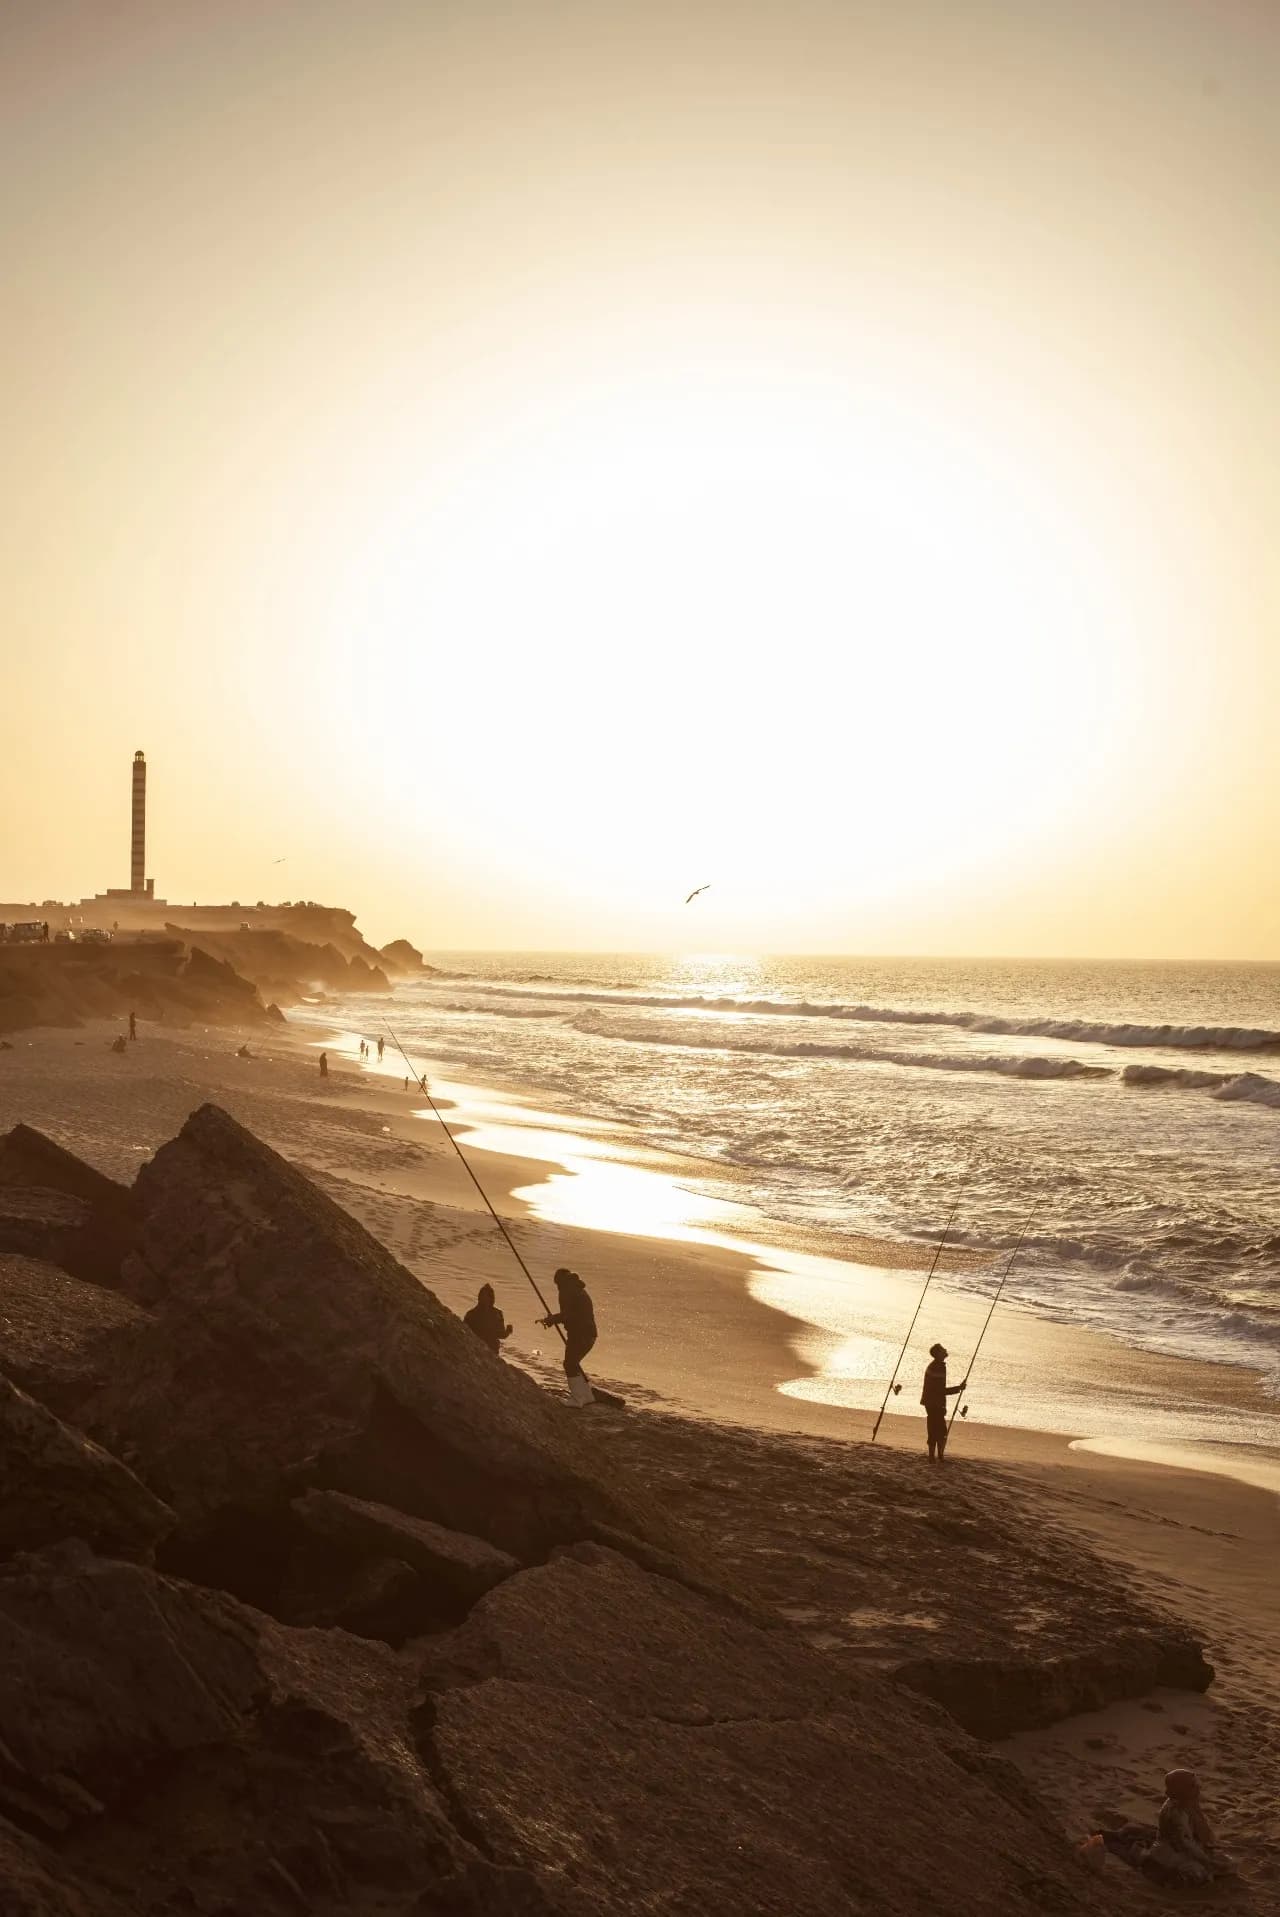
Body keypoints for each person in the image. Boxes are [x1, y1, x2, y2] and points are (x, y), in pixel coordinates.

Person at [540, 1267, 597, 1402]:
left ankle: (578, 1399)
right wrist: (554, 1319)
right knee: (573, 1363)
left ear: (560, 1281)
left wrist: (552, 1319)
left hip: (579, 1334)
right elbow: (573, 1314)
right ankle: (587, 1396)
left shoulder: (567, 1290)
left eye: (557, 1283)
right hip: (589, 1334)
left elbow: (568, 1315)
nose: (557, 1287)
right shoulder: (577, 1289)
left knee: (570, 1364)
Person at [920, 1343, 966, 1461]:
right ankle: (936, 1456)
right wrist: (958, 1388)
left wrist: (958, 1388)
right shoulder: (937, 1367)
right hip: (934, 1403)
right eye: (942, 1350)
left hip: (932, 1402)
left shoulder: (937, 1365)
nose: (945, 1350)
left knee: (936, 1429)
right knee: (939, 1430)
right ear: (938, 1354)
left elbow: (939, 1390)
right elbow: (940, 1390)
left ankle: (936, 1456)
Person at [463, 1283, 512, 1356]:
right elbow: (465, 1332)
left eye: (486, 1296)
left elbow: (500, 1334)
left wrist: (508, 1331)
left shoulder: (497, 1313)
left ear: (491, 1298)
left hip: (492, 1352)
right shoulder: (471, 1314)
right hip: (476, 1351)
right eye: (482, 1296)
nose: (484, 1298)